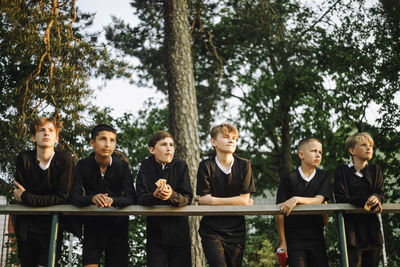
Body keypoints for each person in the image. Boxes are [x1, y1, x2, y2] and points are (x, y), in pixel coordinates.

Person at [71, 124, 136, 267]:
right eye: (103, 139)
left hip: (118, 228)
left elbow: (132, 197)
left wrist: (113, 200)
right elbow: (74, 197)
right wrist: (92, 198)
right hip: (92, 227)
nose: (108, 144)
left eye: (112, 140)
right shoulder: (82, 165)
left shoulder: (122, 167)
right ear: (92, 142)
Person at [14, 116, 73, 267]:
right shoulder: (24, 158)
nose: (46, 133)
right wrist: (27, 197)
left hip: (52, 226)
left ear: (56, 138)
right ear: (33, 137)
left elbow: (62, 197)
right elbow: (18, 195)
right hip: (27, 226)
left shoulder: (65, 159)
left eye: (51, 131)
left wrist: (27, 196)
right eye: (41, 130)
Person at [196, 123, 256, 267]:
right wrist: (240, 201)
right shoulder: (205, 166)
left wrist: (212, 200)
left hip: (236, 230)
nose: (231, 140)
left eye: (234, 138)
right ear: (213, 142)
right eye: (225, 137)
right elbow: (203, 200)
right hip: (212, 230)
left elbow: (243, 200)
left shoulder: (244, 165)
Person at [136, 130, 193, 267]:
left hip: (179, 232)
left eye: (171, 145)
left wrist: (172, 195)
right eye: (163, 144)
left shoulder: (181, 165)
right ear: (152, 149)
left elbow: (187, 198)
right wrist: (154, 195)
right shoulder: (145, 166)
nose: (169, 148)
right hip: (155, 233)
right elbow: (140, 198)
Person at [276, 137, 330, 267]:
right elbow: (279, 212)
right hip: (293, 238)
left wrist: (296, 199)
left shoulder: (323, 176)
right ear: (301, 154)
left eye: (320, 152)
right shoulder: (289, 177)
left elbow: (318, 200)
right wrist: (283, 242)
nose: (318, 155)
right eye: (313, 151)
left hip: (316, 237)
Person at [334, 132, 384, 267]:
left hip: (372, 230)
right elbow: (341, 197)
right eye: (363, 145)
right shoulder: (342, 170)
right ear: (352, 151)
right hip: (352, 231)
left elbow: (380, 193)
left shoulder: (375, 169)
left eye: (371, 146)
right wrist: (366, 200)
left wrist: (376, 197)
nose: (369, 148)